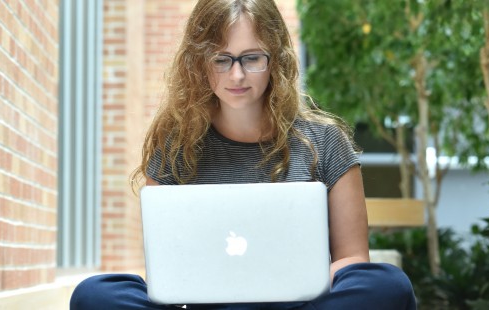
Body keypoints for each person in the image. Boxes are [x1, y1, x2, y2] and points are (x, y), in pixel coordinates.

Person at [69, 0, 416, 309]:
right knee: (95, 294)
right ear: (199, 63)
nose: (236, 74)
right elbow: (166, 270)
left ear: (275, 59)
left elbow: (353, 259)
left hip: (298, 306)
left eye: (251, 58)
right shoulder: (175, 147)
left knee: (387, 285)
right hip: (210, 306)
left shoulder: (325, 141)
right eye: (221, 59)